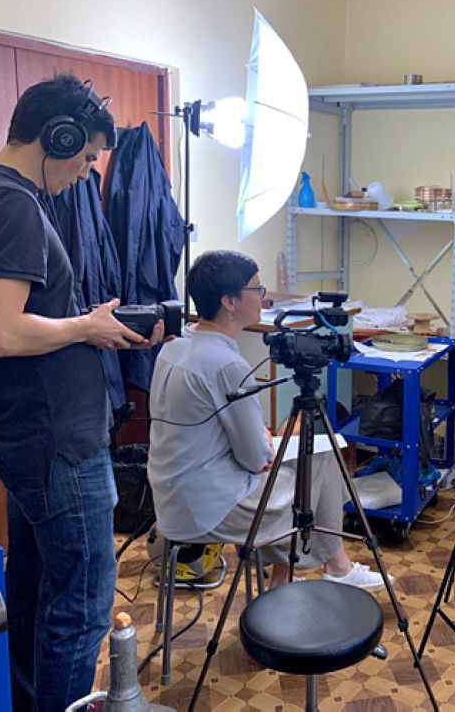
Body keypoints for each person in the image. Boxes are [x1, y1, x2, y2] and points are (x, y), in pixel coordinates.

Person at [0, 74, 164, 711]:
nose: (86, 172)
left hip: (34, 439)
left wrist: (90, 327)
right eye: (85, 156)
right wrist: (85, 327)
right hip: (56, 447)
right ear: (57, 137)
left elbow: (22, 321)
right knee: (82, 607)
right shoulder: (10, 205)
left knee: (37, 590)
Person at [148, 250, 386, 591]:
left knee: (308, 462)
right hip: (210, 506)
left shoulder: (175, 347)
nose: (263, 297)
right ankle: (331, 569)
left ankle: (301, 576)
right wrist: (263, 439)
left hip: (171, 493)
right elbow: (256, 459)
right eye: (256, 289)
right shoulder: (227, 365)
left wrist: (260, 437)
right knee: (319, 461)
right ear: (229, 301)